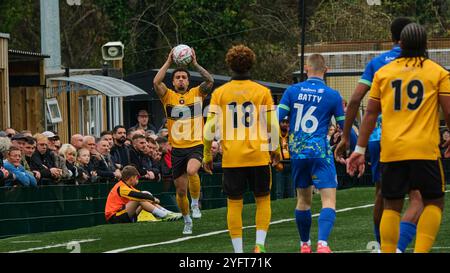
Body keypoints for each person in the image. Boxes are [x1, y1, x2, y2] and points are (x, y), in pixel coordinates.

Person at [347, 23, 450, 253]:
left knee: (391, 205)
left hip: (392, 151)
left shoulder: (383, 73)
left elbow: (371, 113)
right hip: (425, 150)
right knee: (434, 202)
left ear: (400, 44)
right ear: (426, 45)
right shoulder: (438, 72)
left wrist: (360, 149)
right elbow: (449, 110)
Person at [334, 17, 421, 253]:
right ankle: (397, 247)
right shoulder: (422, 62)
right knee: (419, 196)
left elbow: (354, 101)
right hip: (412, 136)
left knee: (382, 193)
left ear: (392, 36)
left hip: (377, 139)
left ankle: (382, 245)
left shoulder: (377, 63)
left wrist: (345, 137)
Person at [203, 45, 280, 253]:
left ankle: (238, 252)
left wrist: (207, 154)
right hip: (258, 155)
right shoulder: (262, 92)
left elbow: (209, 127)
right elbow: (273, 125)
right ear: (251, 64)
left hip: (232, 157)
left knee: (234, 203)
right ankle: (260, 245)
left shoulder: (220, 93)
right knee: (262, 199)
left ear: (230, 65)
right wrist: (276, 150)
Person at [278, 53, 345, 253]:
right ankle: (323, 244)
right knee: (329, 200)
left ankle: (304, 244)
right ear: (326, 70)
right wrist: (352, 146)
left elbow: (276, 119)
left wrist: (273, 147)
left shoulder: (292, 90)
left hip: (298, 153)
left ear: (306, 69)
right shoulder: (332, 95)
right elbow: (344, 125)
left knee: (303, 200)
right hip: (320, 152)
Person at [153, 46, 214, 234]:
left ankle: (196, 204)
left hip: (195, 144)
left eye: (184, 77)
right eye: (178, 77)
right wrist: (169, 62)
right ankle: (187, 219)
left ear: (188, 81)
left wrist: (194, 63)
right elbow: (156, 81)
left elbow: (209, 80)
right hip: (177, 149)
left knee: (192, 169)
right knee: (180, 191)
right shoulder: (167, 96)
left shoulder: (197, 93)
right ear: (173, 81)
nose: (181, 80)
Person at [105, 165, 181, 224]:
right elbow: (139, 196)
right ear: (131, 178)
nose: (137, 179)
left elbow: (143, 194)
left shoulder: (128, 186)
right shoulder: (121, 187)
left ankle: (168, 213)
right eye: (136, 177)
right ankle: (163, 215)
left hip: (123, 214)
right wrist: (153, 199)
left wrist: (151, 198)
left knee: (144, 195)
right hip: (115, 217)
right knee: (140, 198)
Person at [274, 116, 294, 199]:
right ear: (279, 124)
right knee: (279, 192)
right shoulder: (275, 135)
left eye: (287, 122)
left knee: (291, 191)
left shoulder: (291, 135)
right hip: (279, 165)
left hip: (290, 164)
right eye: (283, 122)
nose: (285, 124)